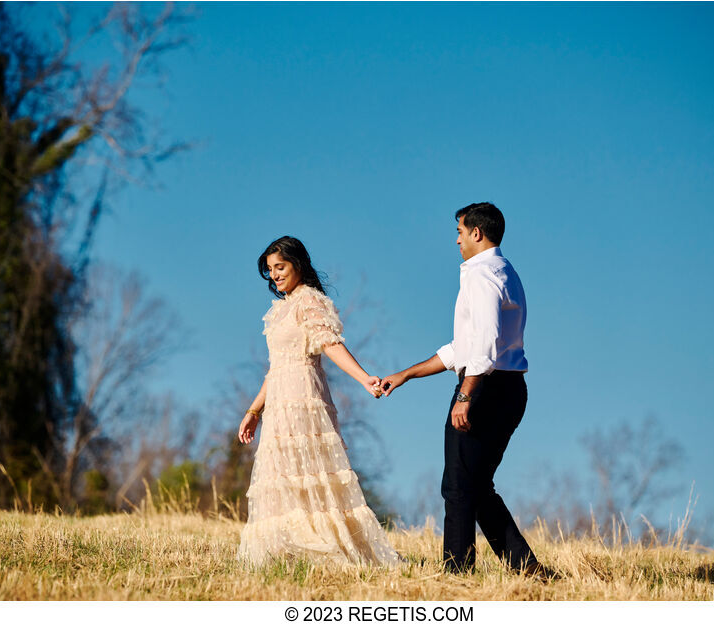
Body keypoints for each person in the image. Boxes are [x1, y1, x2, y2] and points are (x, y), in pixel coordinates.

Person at [381, 202, 553, 577]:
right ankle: (529, 570)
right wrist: (405, 375)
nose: (456, 239)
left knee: (459, 487)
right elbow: (464, 346)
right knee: (476, 487)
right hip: (510, 389)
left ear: (477, 233)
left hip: (484, 389)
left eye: (460, 231)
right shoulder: (506, 271)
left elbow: (485, 345)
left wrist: (465, 395)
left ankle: (457, 575)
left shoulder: (480, 274)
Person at [236, 236, 400, 568]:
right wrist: (255, 410)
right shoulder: (280, 309)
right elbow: (275, 367)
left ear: (299, 264)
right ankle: (290, 552)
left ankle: (326, 548)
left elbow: (330, 344)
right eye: (270, 270)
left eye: (280, 267)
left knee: (310, 471)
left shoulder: (310, 301)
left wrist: (363, 376)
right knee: (284, 475)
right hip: (280, 399)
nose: (275, 276)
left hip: (303, 396)